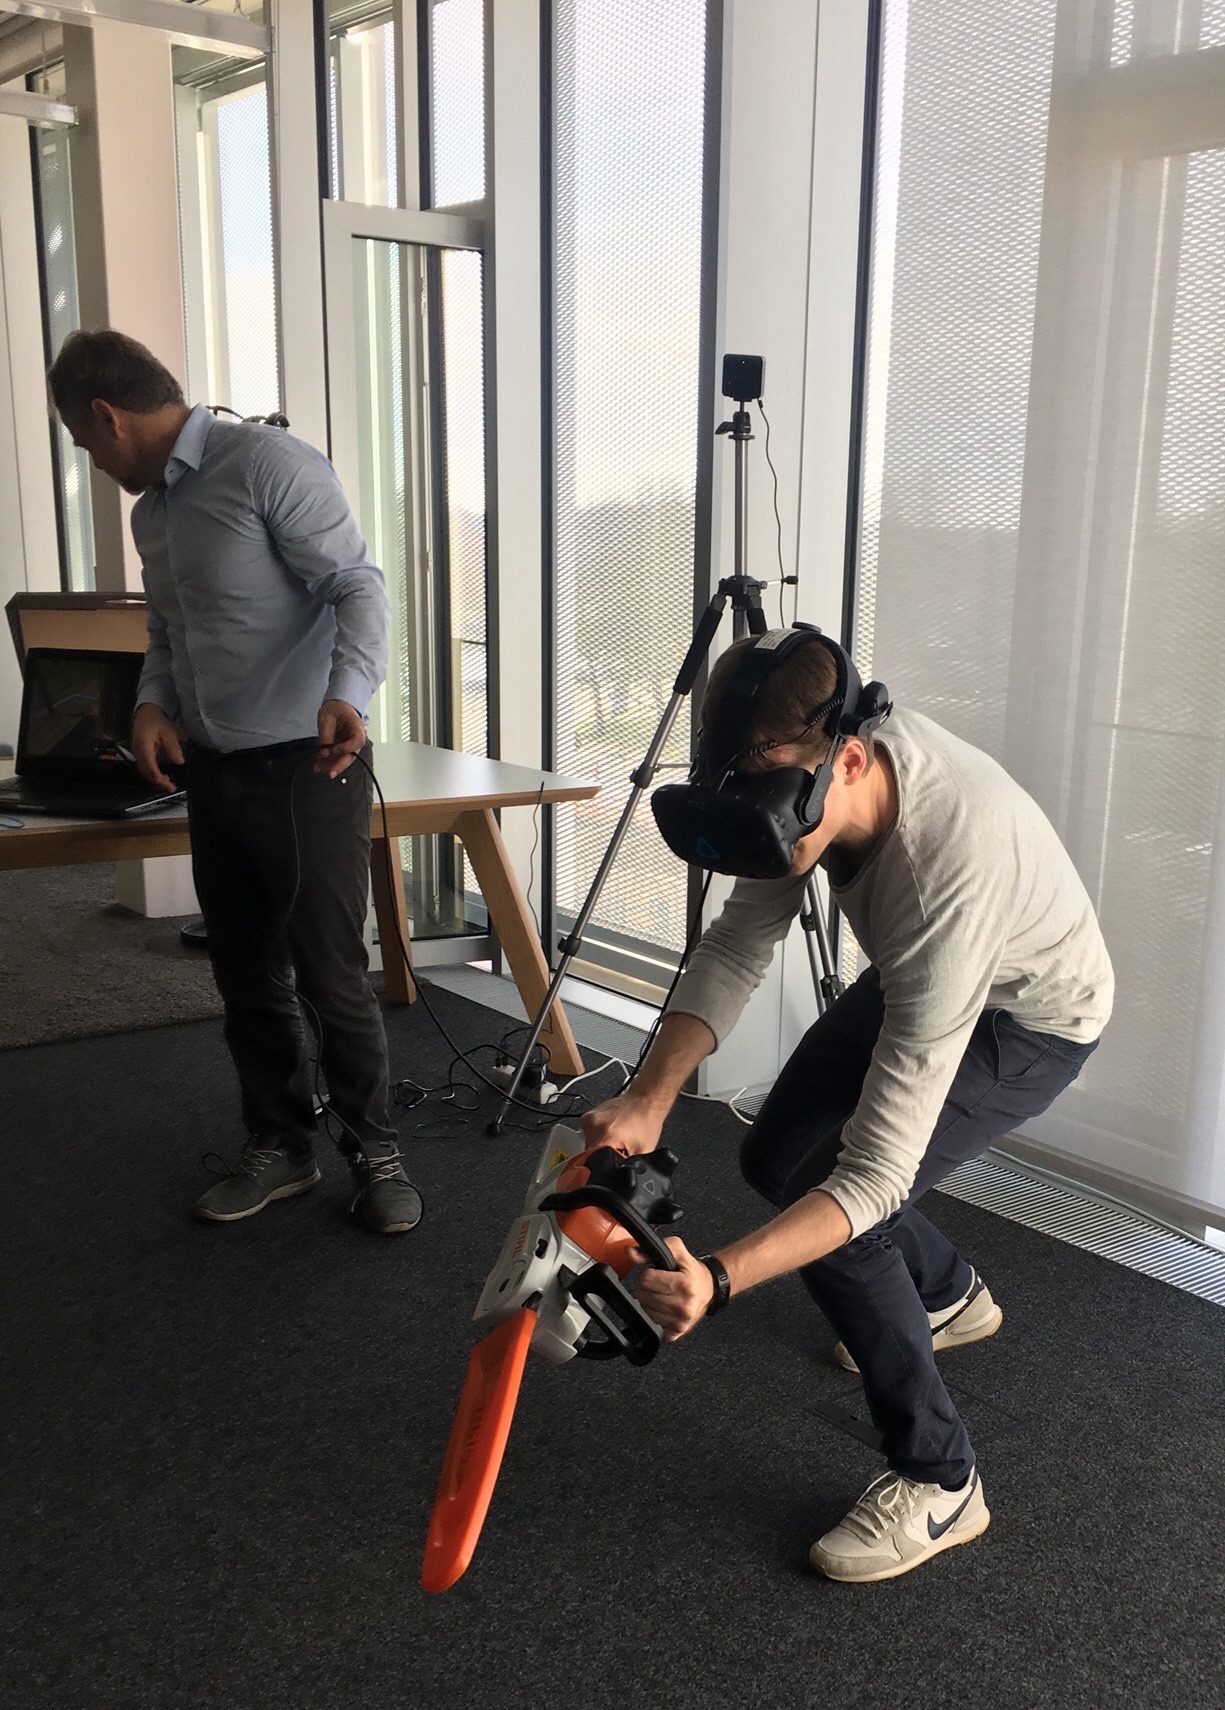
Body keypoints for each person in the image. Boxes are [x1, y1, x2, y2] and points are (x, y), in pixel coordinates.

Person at [581, 627, 1113, 1582]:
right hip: (927, 974)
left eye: (768, 801)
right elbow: (738, 942)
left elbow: (871, 1180)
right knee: (774, 1156)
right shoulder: (807, 766)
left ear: (852, 762)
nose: (762, 826)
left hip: (1028, 1017)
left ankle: (941, 1479)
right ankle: (945, 1294)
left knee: (838, 1208)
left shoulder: (945, 876)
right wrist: (649, 1097)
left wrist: (717, 1279)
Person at [48, 329, 422, 1237]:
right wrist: (150, 704)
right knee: (246, 974)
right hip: (213, 773)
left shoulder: (266, 464)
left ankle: (375, 1153)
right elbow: (167, 632)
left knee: (330, 975)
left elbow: (357, 586)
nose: (92, 461)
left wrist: (347, 693)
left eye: (84, 441)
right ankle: (282, 1144)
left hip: (310, 767)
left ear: (108, 415)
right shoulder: (152, 515)